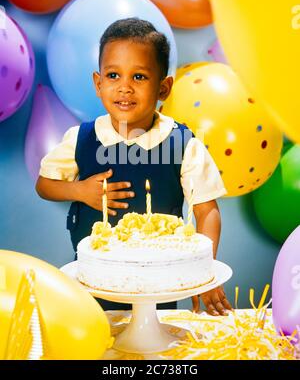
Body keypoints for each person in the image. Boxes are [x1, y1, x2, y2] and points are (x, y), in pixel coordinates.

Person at [36, 17, 232, 315]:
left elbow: (207, 211)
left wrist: (201, 272)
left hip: (161, 283)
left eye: (139, 77)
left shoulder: (183, 143)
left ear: (163, 88)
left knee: (153, 343)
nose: (124, 88)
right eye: (113, 75)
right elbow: (44, 185)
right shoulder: (82, 138)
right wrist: (80, 191)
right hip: (93, 283)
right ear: (98, 84)